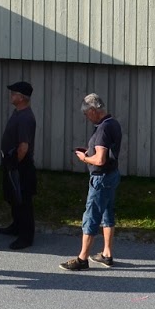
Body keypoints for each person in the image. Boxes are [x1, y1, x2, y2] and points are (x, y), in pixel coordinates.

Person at [60, 93, 122, 271]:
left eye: (86, 113)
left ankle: (82, 259)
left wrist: (84, 158)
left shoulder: (102, 129)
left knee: (91, 216)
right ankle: (107, 254)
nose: (86, 117)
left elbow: (100, 159)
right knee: (107, 215)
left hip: (101, 178)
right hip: (112, 175)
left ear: (94, 110)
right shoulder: (113, 123)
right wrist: (89, 152)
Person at [0, 81, 37, 250]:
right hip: (12, 163)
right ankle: (16, 225)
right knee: (13, 197)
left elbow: (24, 146)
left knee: (23, 201)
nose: (11, 96)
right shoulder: (18, 112)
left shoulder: (25, 117)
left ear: (21, 98)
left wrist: (14, 163)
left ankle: (26, 236)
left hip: (21, 165)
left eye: (14, 94)